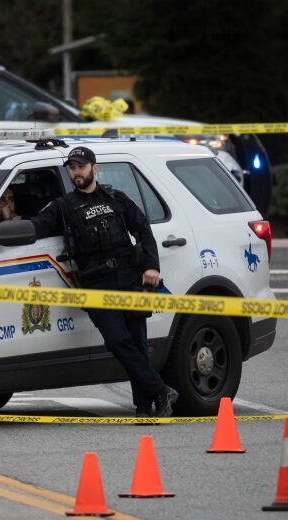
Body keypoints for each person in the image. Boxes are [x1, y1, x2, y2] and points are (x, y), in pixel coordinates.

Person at [29, 146, 178, 417]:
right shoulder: (63, 207)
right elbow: (37, 226)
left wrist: (151, 266)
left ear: (94, 168)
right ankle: (160, 389)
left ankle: (145, 409)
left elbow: (143, 230)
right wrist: (9, 221)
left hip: (130, 277)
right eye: (72, 168)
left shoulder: (115, 198)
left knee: (138, 343)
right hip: (96, 284)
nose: (76, 172)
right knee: (117, 340)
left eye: (81, 167)